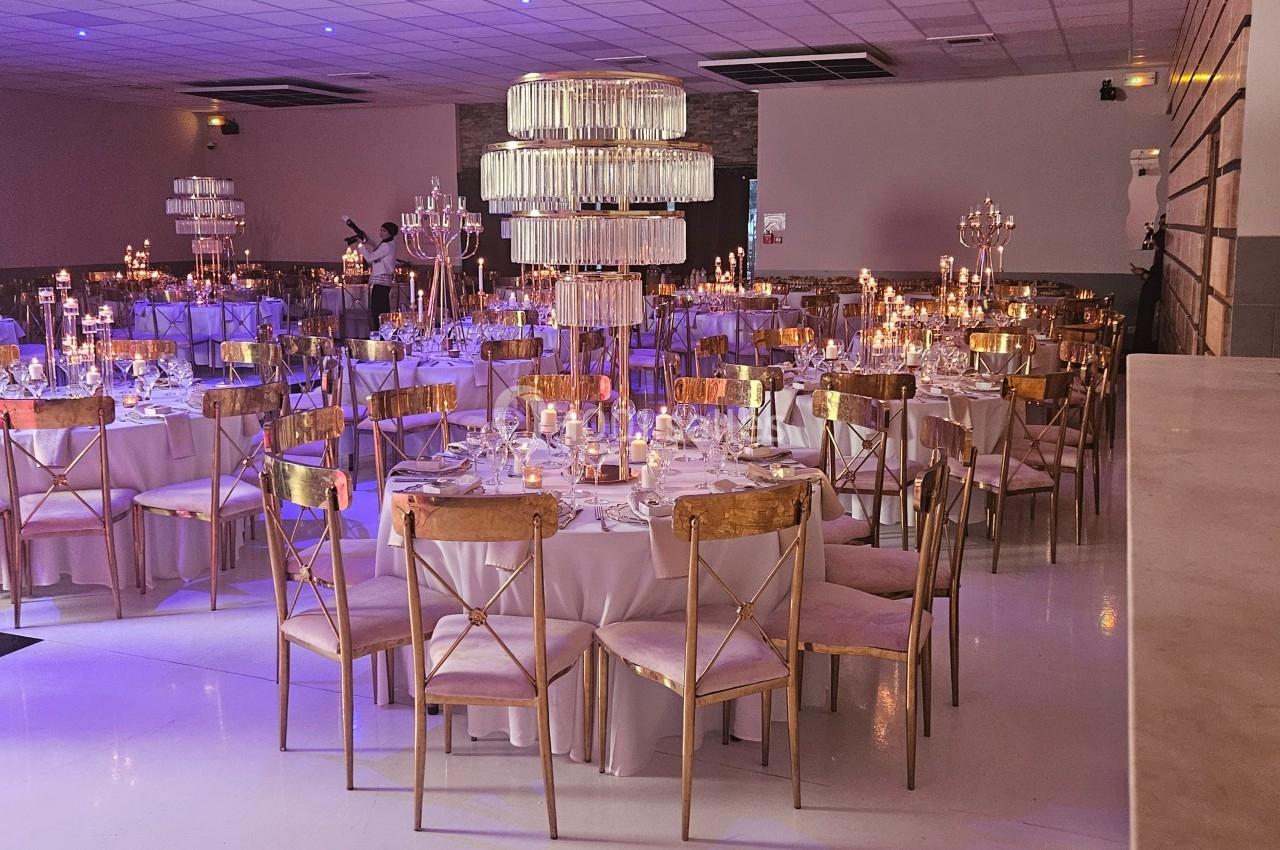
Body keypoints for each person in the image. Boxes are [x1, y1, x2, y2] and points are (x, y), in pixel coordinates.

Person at [1132, 213, 1165, 354]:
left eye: (1164, 224)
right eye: (1161, 224)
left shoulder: (1164, 250)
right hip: (1149, 296)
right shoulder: (1161, 250)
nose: (1161, 228)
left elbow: (1157, 279)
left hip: (1152, 298)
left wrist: (1143, 274)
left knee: (1146, 327)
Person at [358, 221, 399, 328]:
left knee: (378, 309)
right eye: (381, 230)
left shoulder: (386, 245)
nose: (381, 232)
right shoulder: (388, 243)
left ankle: (380, 332)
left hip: (382, 281)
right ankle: (383, 331)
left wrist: (361, 246)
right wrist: (366, 240)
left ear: (390, 233)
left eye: (384, 231)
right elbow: (375, 246)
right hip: (383, 281)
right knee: (381, 308)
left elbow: (370, 258)